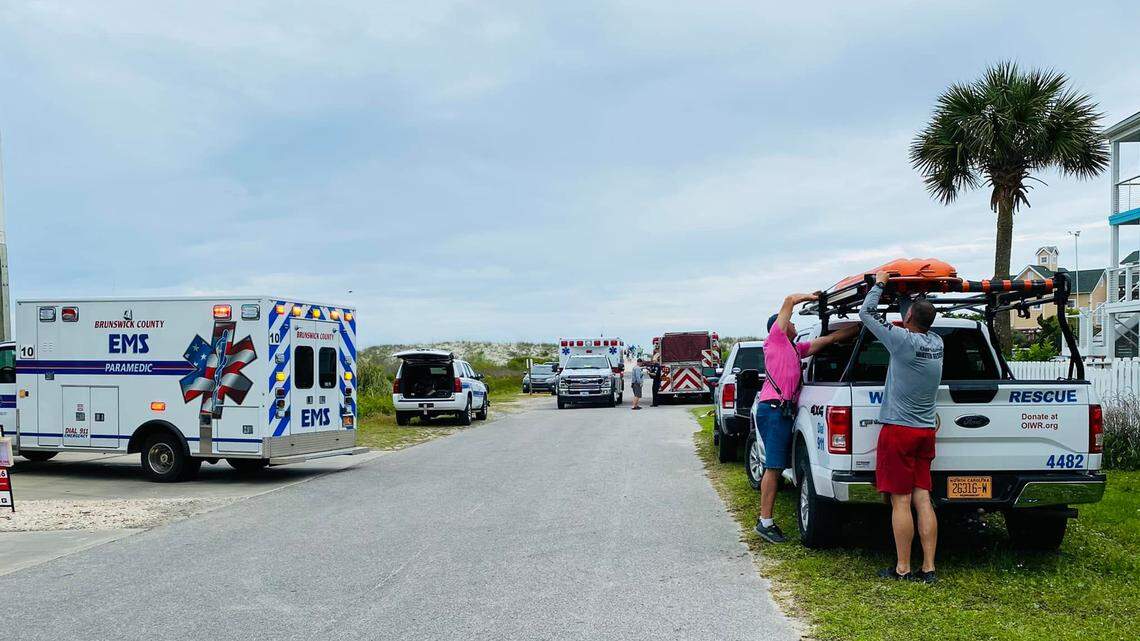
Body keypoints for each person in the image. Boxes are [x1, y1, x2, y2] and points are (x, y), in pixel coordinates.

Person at [858, 272, 944, 584]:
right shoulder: (937, 342)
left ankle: (903, 568)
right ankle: (929, 568)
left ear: (908, 317)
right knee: (923, 498)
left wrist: (880, 284)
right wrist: (907, 298)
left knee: (901, 500)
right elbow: (919, 316)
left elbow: (866, 314)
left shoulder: (902, 342)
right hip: (925, 432)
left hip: (899, 432)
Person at [754, 293, 860, 544]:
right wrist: (812, 297)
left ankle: (765, 519)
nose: (794, 325)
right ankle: (765, 522)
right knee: (774, 467)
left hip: (780, 410)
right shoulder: (775, 341)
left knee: (777, 465)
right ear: (780, 327)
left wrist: (858, 328)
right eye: (790, 323)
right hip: (773, 410)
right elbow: (789, 300)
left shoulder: (794, 348)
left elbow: (829, 339)